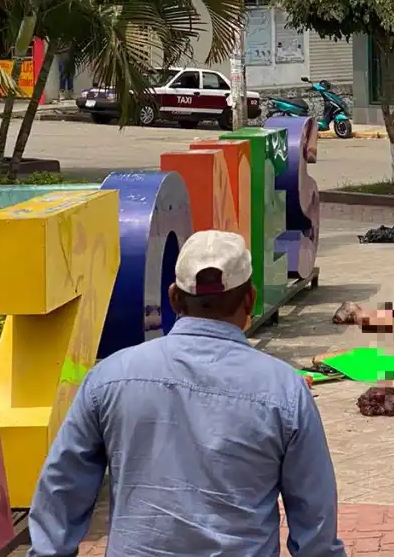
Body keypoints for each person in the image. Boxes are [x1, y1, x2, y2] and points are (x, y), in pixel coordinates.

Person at [27, 231, 346, 557]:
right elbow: (315, 518)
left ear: (174, 298)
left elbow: (61, 489)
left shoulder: (109, 378)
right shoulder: (284, 391)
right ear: (250, 299)